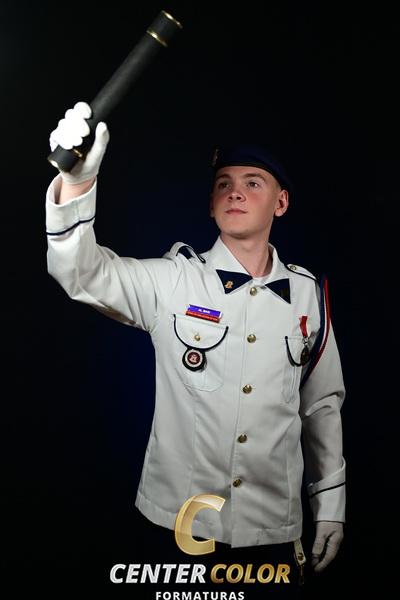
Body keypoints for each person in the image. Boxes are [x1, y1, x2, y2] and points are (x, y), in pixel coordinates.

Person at [46, 102, 346, 584]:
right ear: (210, 204)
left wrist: (329, 505)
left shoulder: (307, 294)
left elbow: (321, 406)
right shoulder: (173, 280)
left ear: (281, 203)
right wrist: (76, 186)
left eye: (253, 183)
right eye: (223, 183)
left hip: (273, 531)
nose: (235, 192)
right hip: (177, 529)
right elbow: (82, 273)